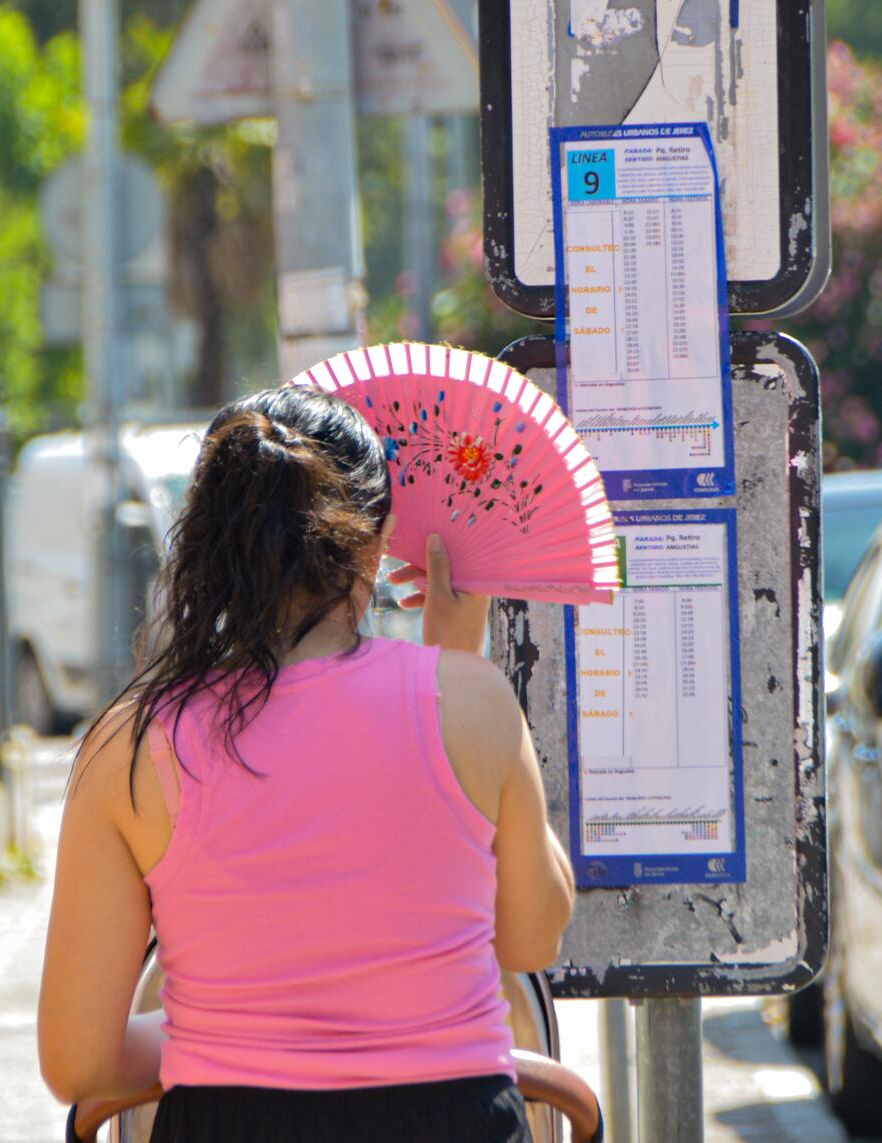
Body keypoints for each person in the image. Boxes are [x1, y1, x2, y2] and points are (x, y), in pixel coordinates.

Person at [37, 386, 577, 1143]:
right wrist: (455, 660)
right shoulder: (473, 703)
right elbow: (533, 937)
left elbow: (78, 1061)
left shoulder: (130, 745)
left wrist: (219, 1040)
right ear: (375, 543)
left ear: (204, 540)